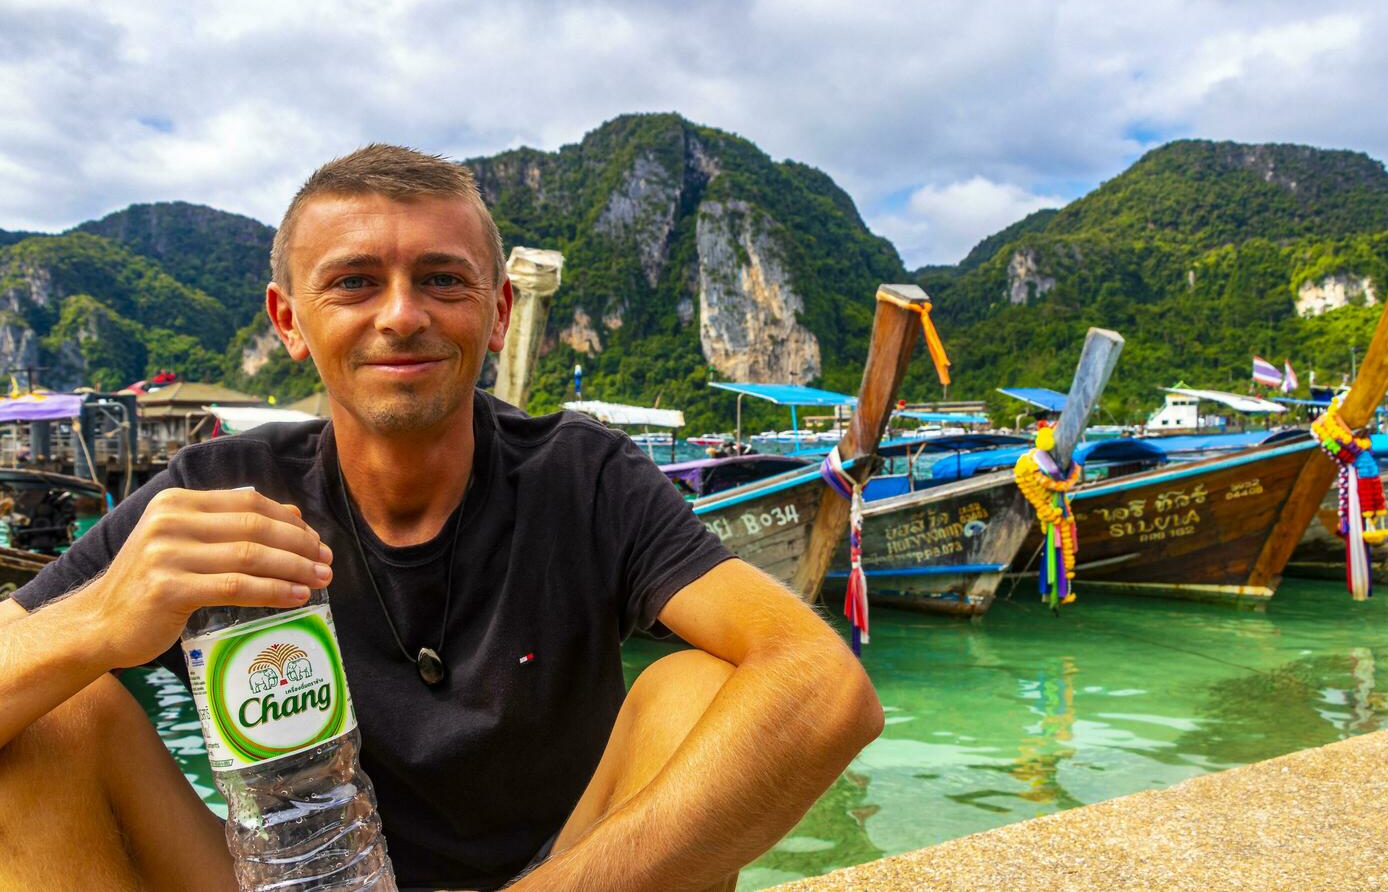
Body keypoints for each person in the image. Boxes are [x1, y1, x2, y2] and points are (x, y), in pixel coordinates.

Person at [0, 145, 882, 891]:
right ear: (290, 322)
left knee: (700, 687)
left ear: (496, 313)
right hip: (295, 874)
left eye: (441, 280)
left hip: (559, 875)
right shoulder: (215, 497)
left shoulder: (586, 475)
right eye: (353, 283)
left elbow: (824, 684)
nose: (401, 315)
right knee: (52, 711)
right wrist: (98, 622)